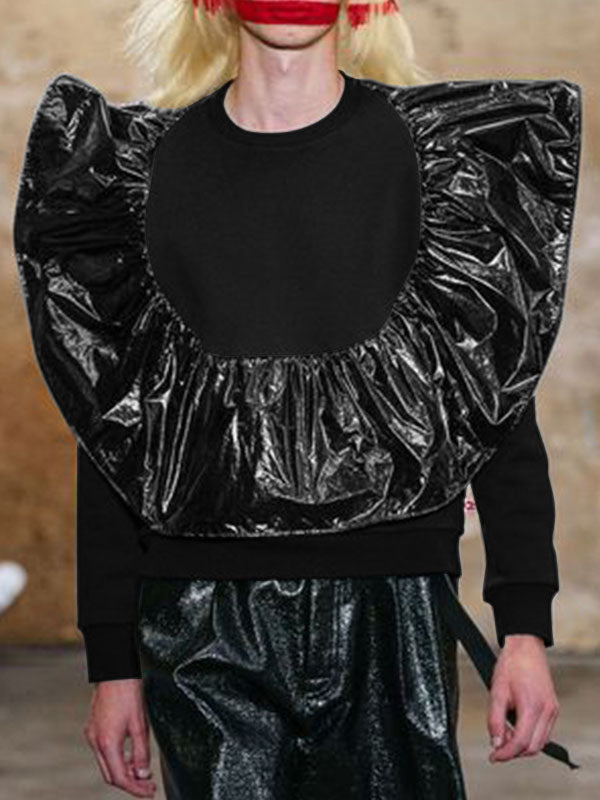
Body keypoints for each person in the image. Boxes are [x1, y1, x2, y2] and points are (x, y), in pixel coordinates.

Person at [13, 0, 582, 797]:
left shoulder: (440, 160)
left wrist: (523, 627)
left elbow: (492, 400)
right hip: (201, 618)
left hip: (394, 605)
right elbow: (117, 427)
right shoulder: (135, 174)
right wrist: (113, 662)